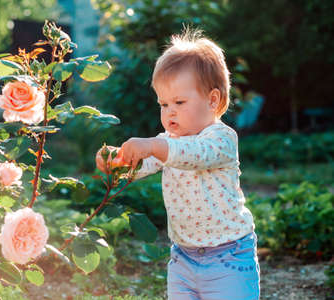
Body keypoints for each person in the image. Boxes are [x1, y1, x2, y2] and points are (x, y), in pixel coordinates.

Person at [95, 28, 260, 300]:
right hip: (183, 259)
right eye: (163, 103)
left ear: (212, 99)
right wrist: (116, 161)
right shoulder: (168, 141)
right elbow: (142, 165)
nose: (170, 111)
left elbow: (193, 154)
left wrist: (154, 146)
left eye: (179, 102)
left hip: (228, 258)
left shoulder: (221, 139)